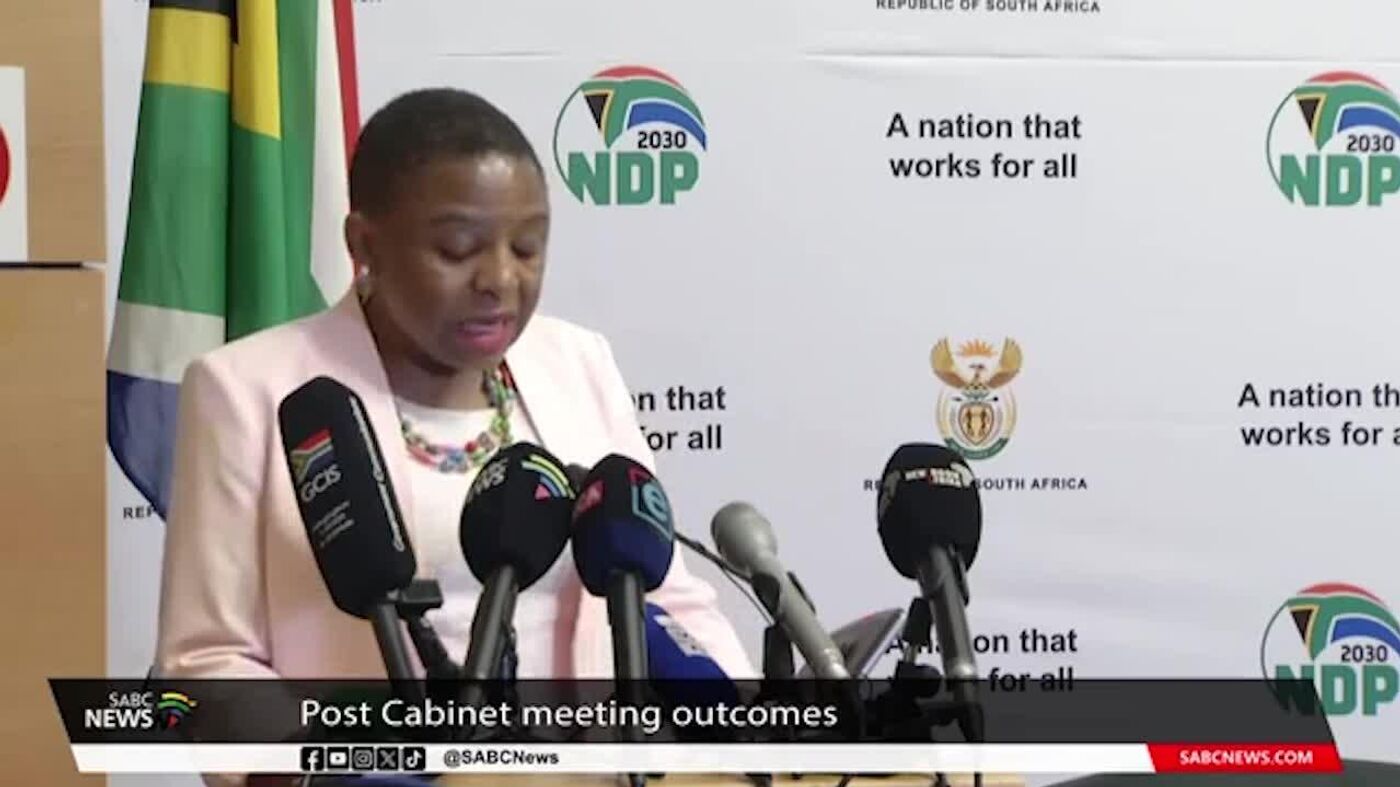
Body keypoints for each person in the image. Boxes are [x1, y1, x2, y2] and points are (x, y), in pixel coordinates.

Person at [154, 88, 755, 783]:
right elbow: (207, 663)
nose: (500, 279)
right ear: (364, 245)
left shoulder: (577, 361)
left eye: (527, 247)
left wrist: (749, 750)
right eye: (458, 248)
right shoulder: (247, 389)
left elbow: (665, 598)